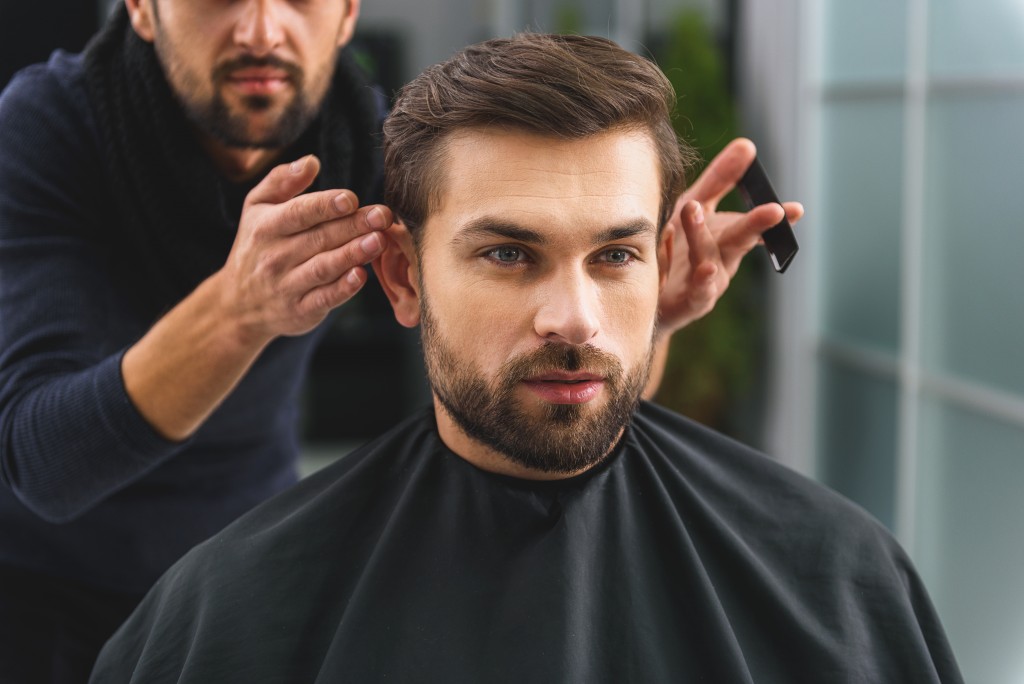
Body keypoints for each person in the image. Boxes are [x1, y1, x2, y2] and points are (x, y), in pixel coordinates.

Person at [90, 33, 961, 683]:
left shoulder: (838, 581)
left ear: (659, 267)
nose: (575, 319)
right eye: (509, 254)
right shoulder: (226, 621)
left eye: (616, 256)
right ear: (401, 275)